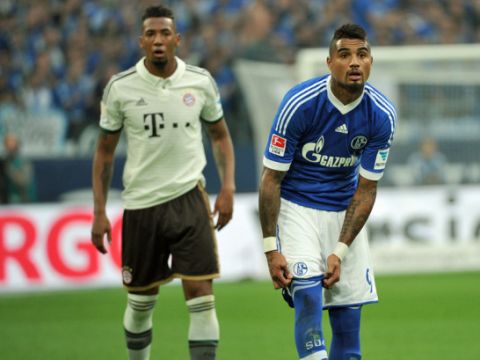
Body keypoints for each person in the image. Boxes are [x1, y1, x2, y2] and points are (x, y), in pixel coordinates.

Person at [91, 5, 235, 360]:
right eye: (151, 34)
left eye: (165, 33)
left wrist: (228, 186)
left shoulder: (199, 81)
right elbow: (104, 153)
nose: (158, 40)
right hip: (142, 205)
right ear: (141, 42)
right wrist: (98, 211)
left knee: (201, 294)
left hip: (190, 198)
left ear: (177, 40)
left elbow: (220, 137)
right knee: (141, 302)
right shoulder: (120, 88)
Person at [258, 24, 396, 360]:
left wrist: (340, 250)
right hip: (297, 208)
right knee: (307, 296)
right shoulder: (300, 104)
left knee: (349, 337)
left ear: (371, 62)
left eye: (362, 55)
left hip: (342, 211)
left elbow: (366, 190)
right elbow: (270, 180)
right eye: (345, 54)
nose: (354, 62)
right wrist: (270, 249)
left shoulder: (381, 116)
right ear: (329, 62)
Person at [1, 133, 36, 203]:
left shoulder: (23, 162)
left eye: (12, 144)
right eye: (7, 144)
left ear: (17, 145)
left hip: (23, 199)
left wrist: (9, 170)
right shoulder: (4, 161)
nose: (9, 147)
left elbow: (24, 181)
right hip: (6, 200)